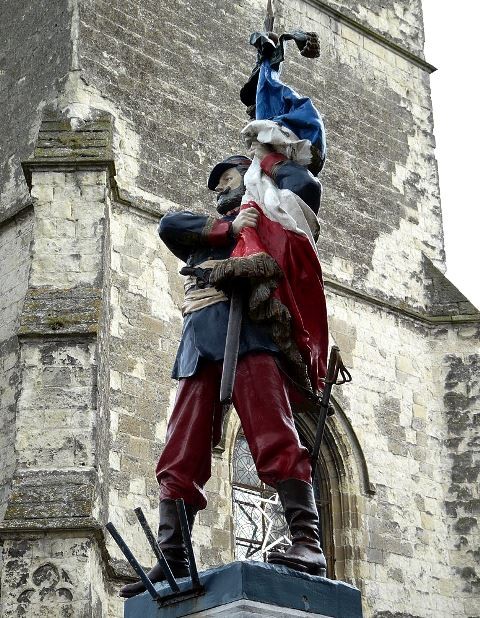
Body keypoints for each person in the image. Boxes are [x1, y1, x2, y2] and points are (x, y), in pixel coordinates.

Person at [119, 146, 329, 599]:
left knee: (274, 434)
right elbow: (168, 224)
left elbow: (306, 186)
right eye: (216, 185)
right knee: (181, 449)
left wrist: (268, 155)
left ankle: (307, 543)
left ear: (250, 175)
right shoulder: (211, 232)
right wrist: (228, 229)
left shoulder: (271, 219)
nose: (220, 189)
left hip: (251, 337)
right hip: (199, 343)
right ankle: (172, 555)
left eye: (229, 179)